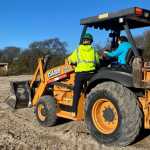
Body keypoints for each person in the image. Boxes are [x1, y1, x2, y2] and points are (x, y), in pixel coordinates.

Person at [68, 33, 100, 116]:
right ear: (90, 41)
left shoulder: (78, 49)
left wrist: (70, 61)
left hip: (80, 74)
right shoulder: (93, 50)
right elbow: (97, 62)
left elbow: (71, 59)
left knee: (77, 92)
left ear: (83, 41)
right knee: (90, 91)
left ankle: (73, 111)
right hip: (91, 74)